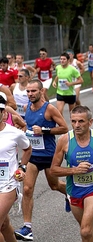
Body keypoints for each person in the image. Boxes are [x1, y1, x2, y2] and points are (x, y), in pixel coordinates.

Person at [50, 105, 93, 242]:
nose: (76, 125)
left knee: (85, 231)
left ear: (90, 122)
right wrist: (74, 170)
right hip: (74, 189)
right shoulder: (64, 140)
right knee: (86, 229)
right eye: (73, 121)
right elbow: (54, 170)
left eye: (81, 121)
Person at [14, 79, 69, 241]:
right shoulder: (26, 108)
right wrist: (24, 130)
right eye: (28, 92)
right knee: (27, 189)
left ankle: (69, 193)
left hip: (49, 155)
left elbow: (65, 128)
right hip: (33, 156)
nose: (30, 94)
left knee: (55, 185)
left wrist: (44, 130)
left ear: (41, 91)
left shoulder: (49, 109)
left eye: (33, 91)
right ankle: (27, 228)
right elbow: (27, 125)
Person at [0, 95, 32, 242]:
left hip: (8, 184)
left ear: (4, 113)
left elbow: (28, 149)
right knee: (4, 225)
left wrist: (22, 167)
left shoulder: (15, 133)